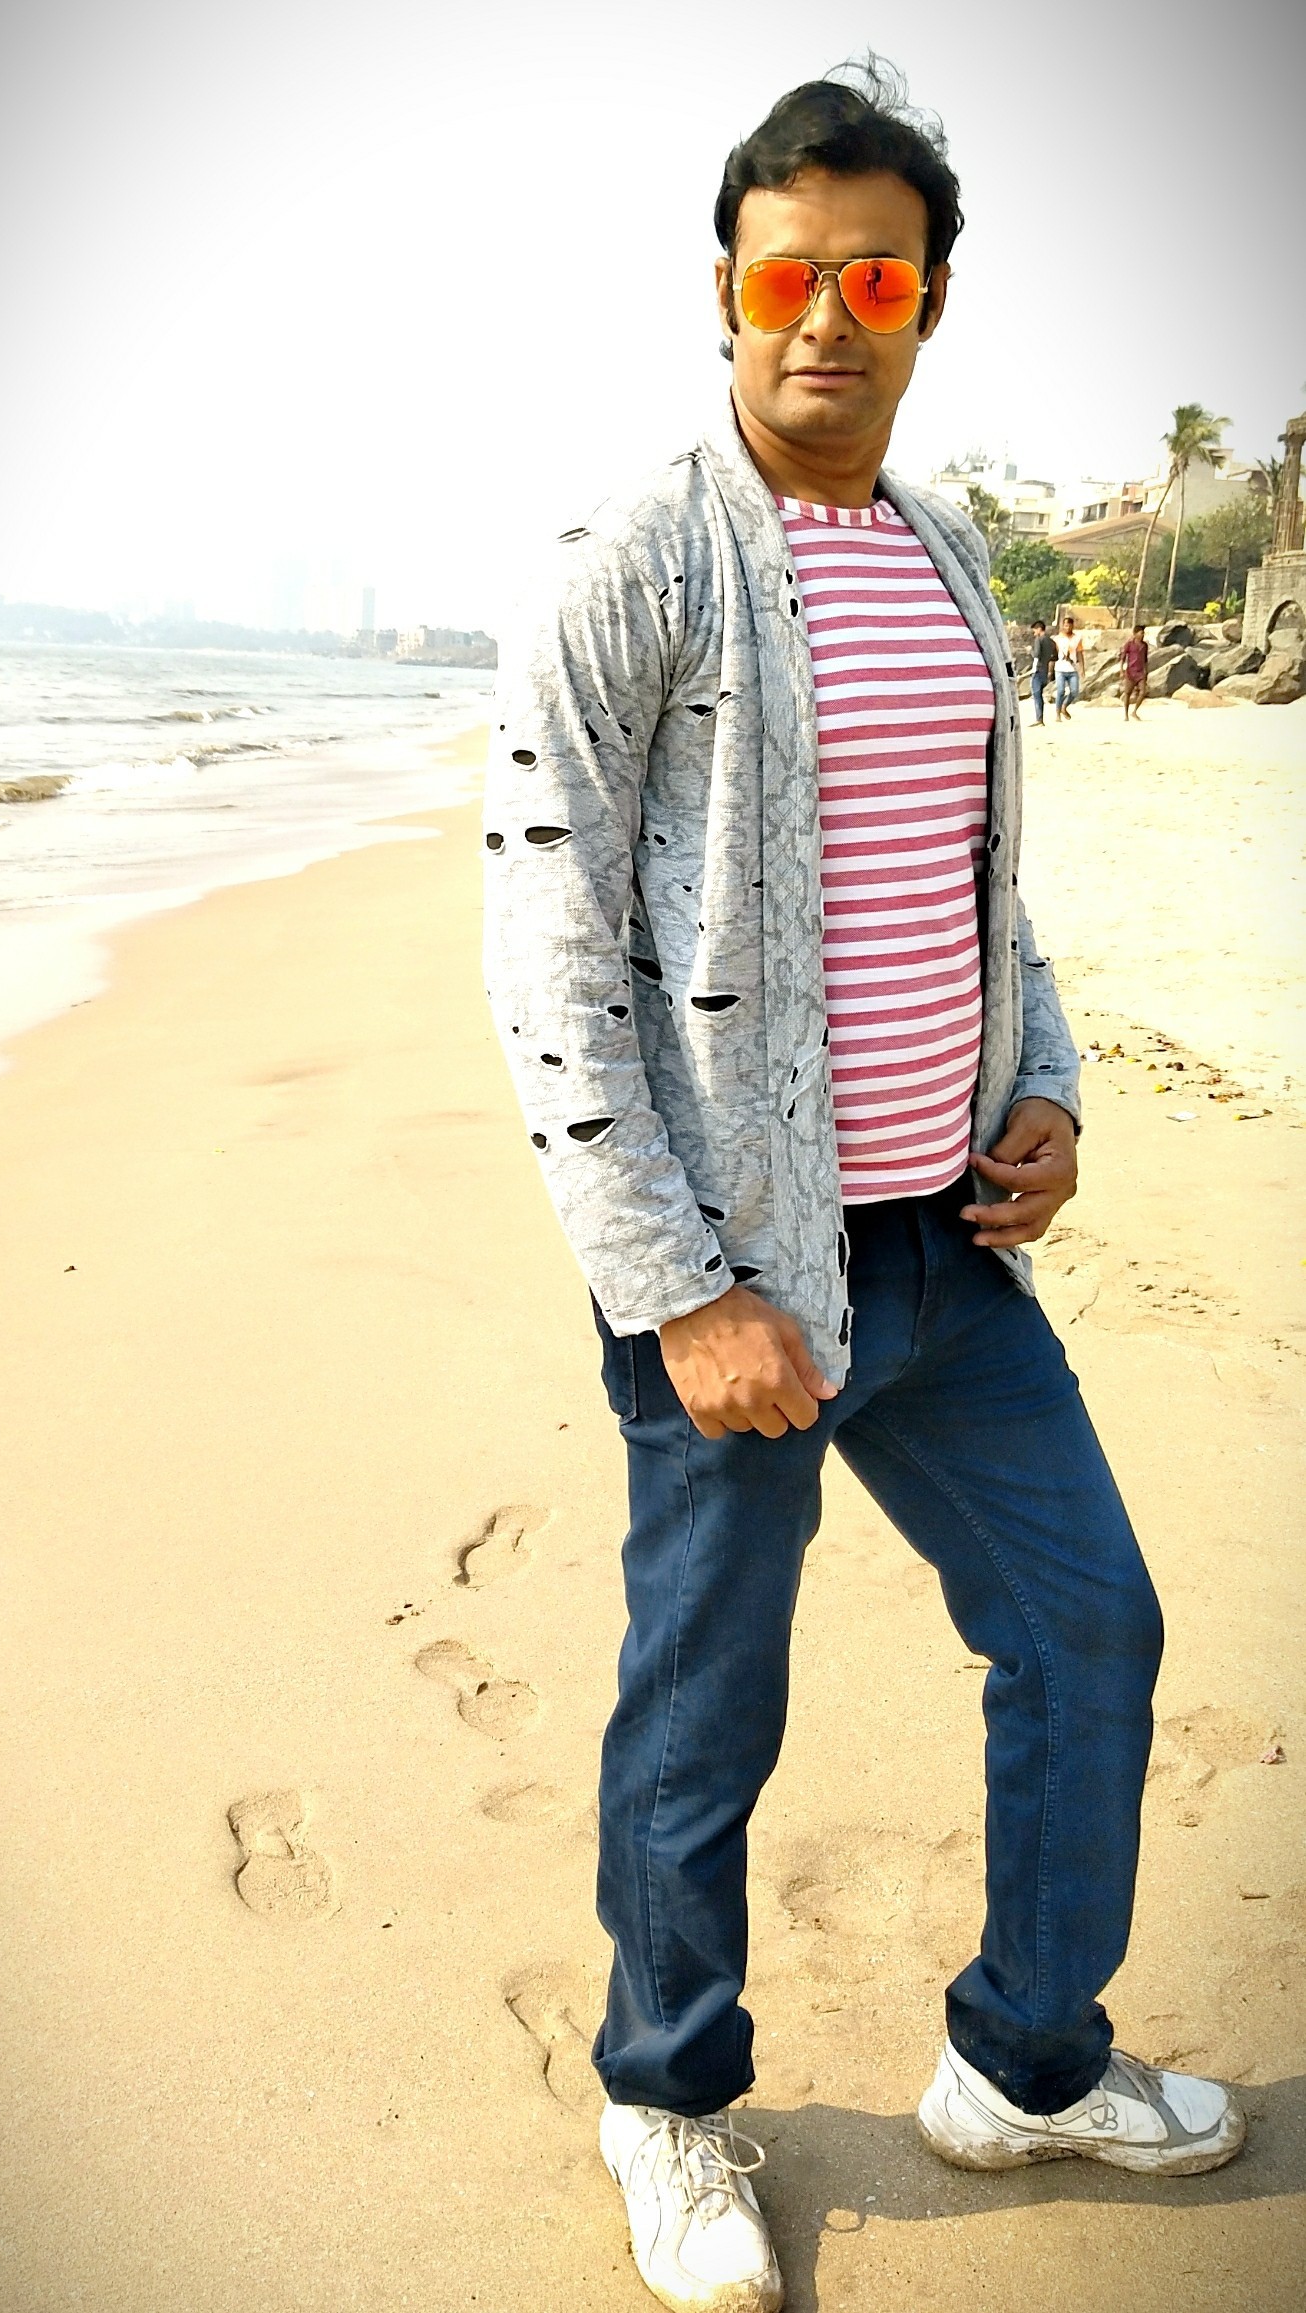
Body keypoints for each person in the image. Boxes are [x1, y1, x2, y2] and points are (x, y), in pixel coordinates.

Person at [483, 64, 1244, 2313]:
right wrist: (674, 1285)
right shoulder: (633, 564)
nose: (827, 315)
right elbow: (544, 949)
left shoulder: (945, 556)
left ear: (929, 304)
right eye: (787, 275)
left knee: (1087, 1627)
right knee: (704, 1707)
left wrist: (1048, 1092)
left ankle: (1023, 2059)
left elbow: (982, 894)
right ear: (725, 291)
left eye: (876, 279)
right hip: (742, 1280)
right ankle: (664, 2098)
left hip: (946, 1252)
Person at [1054, 612, 1084, 718]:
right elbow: (1054, 653)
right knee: (1060, 691)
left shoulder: (1077, 639)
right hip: (1060, 668)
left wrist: (1082, 668)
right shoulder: (1058, 639)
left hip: (1072, 668)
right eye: (1066, 625)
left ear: (1072, 626)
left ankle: (1064, 706)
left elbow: (1080, 653)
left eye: (1069, 625)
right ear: (1063, 626)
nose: (1068, 627)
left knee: (1074, 691)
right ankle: (1057, 712)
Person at [1028, 615, 1056, 724]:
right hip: (1046, 670)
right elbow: (1055, 656)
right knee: (1039, 695)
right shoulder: (1051, 641)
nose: (1034, 633)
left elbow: (1036, 654)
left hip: (1038, 670)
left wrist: (1030, 650)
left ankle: (1039, 719)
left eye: (1035, 630)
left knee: (1037, 696)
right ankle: (1040, 718)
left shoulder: (1038, 640)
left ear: (1039, 629)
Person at [1121, 622, 1150, 718]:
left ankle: (1134, 711)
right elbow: (1123, 657)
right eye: (1141, 633)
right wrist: (1121, 670)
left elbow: (1145, 659)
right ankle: (1126, 714)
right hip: (1130, 672)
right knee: (1127, 693)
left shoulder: (1144, 645)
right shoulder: (1129, 644)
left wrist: (1146, 671)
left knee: (1143, 692)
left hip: (1140, 673)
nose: (1143, 635)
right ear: (1135, 634)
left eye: (1143, 633)